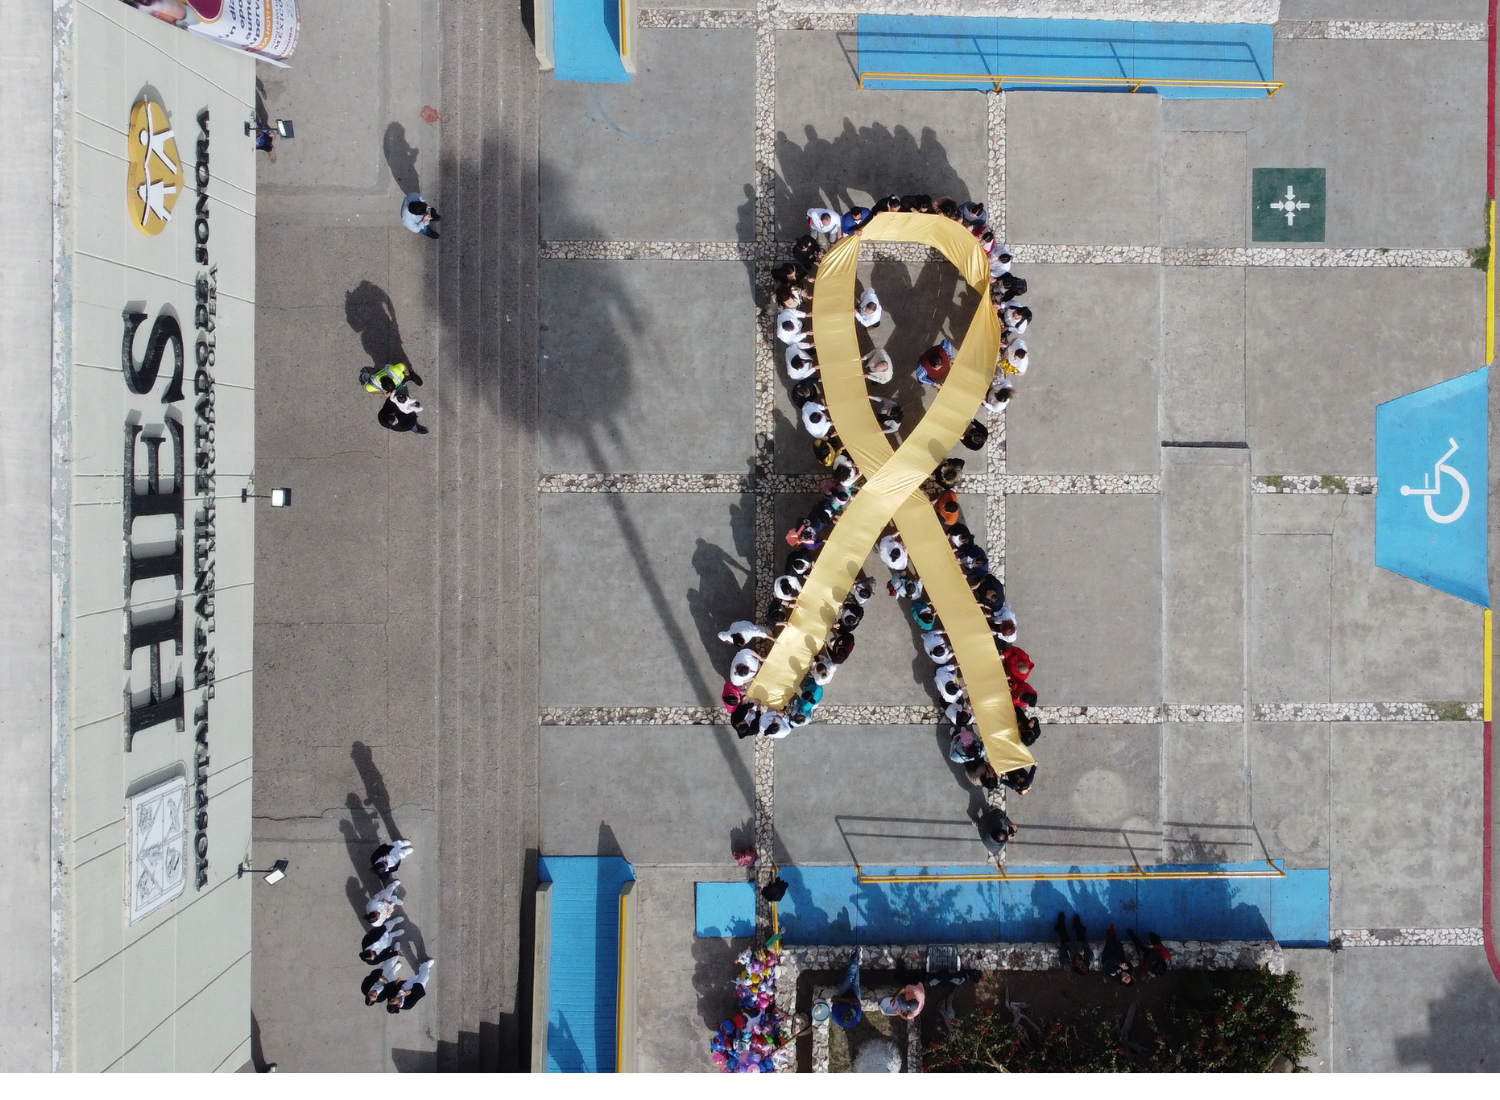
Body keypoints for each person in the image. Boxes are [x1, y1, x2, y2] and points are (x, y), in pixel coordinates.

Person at [830, 948, 864, 1028]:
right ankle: (856, 960)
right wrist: (851, 1002)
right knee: (856, 980)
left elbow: (834, 999)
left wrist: (847, 1001)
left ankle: (855, 959)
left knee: (849, 977)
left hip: (843, 995)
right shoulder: (856, 1017)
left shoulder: (835, 1016)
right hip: (855, 996)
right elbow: (857, 1002)